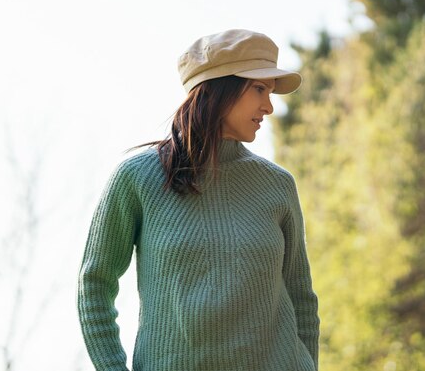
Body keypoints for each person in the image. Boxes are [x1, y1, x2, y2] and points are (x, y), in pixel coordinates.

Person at [77, 29, 320, 371]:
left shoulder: (277, 185)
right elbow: (95, 282)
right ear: (221, 89)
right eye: (260, 88)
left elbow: (302, 298)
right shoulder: (137, 178)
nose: (268, 106)